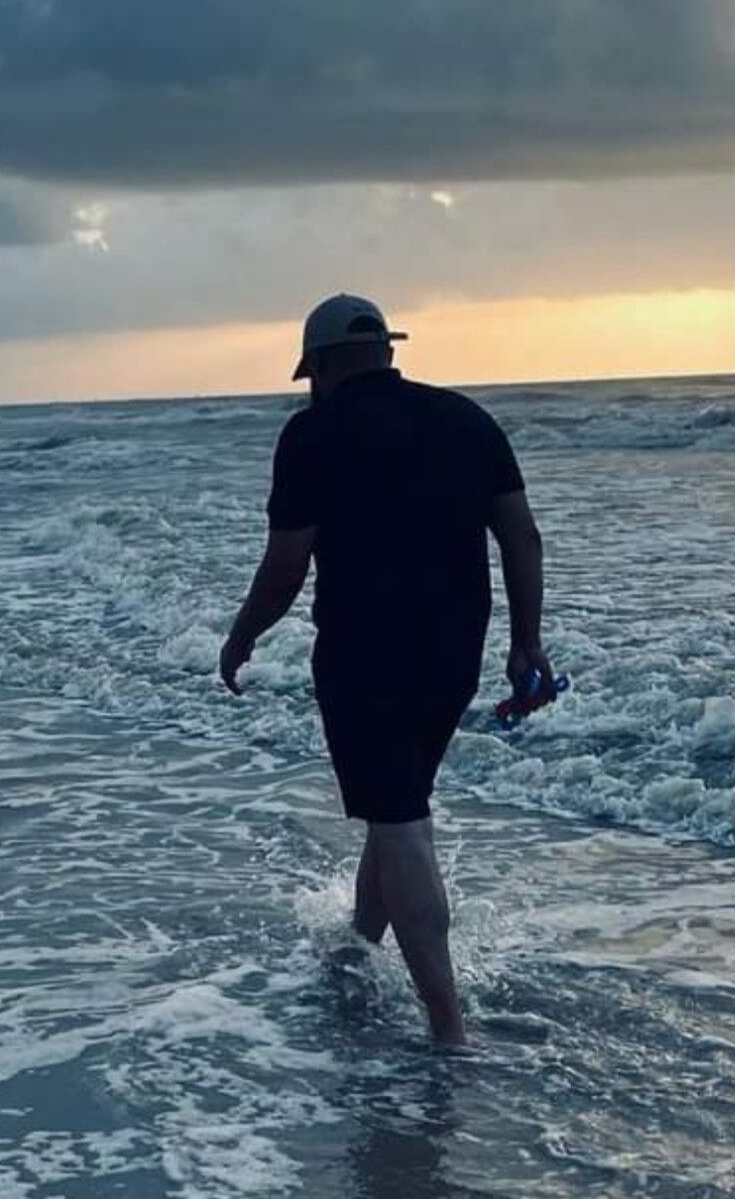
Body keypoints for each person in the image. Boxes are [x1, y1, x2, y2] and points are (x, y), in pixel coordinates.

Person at [219, 294, 553, 1046]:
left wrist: (241, 637)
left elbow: (284, 569)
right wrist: (526, 642)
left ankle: (448, 1029)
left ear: (325, 365)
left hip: (362, 657)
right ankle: (355, 953)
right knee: (392, 803)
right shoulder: (466, 418)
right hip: (453, 654)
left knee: (402, 826)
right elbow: (521, 538)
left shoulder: (313, 433)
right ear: (385, 352)